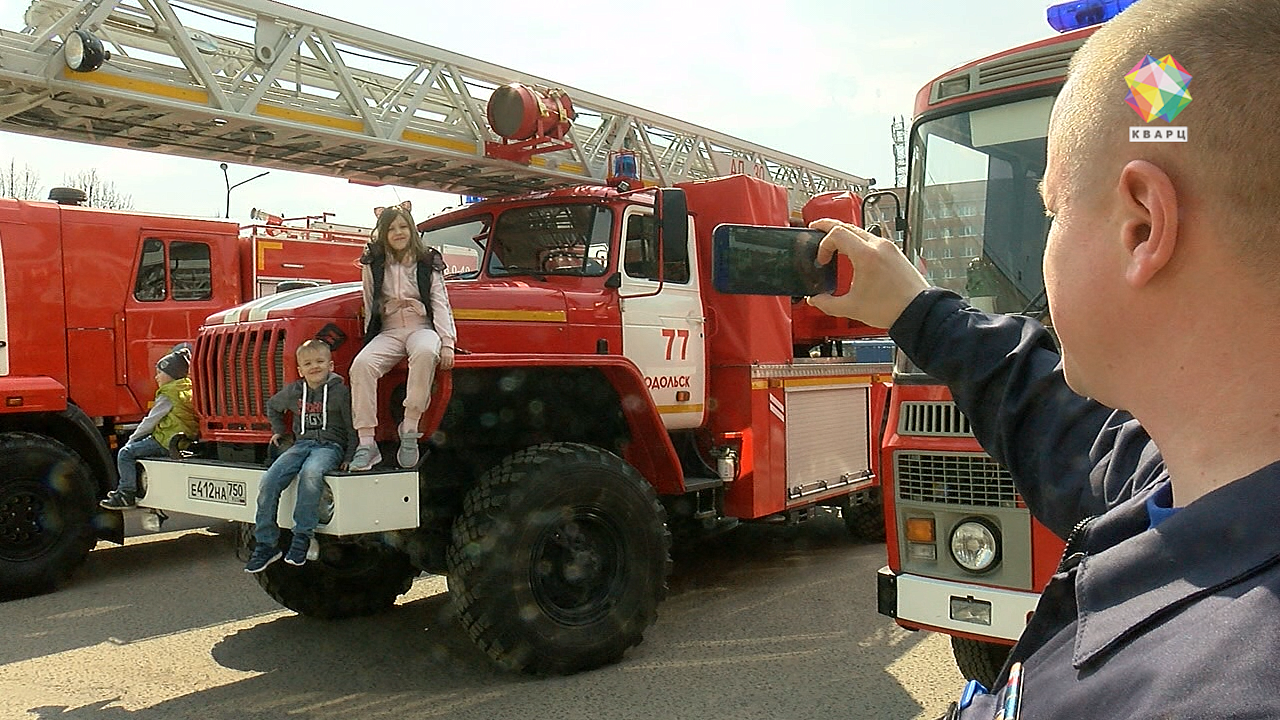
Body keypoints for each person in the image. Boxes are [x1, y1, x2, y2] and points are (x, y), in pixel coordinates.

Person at [806, 1, 1280, 717]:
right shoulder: (1187, 473)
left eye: (1052, 211)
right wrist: (913, 307)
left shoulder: (1206, 691)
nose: (1045, 243)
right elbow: (1057, 422)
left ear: (1141, 226)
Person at [348, 202, 457, 471]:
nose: (398, 232)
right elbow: (369, 297)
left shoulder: (426, 260)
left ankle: (410, 428)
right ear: (383, 233)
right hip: (390, 329)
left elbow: (439, 300)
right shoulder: (374, 261)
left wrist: (447, 342)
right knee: (361, 366)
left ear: (412, 229)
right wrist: (369, 338)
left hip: (421, 326)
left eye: (403, 226)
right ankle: (366, 442)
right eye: (391, 228)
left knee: (425, 352)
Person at [244, 339, 357, 573]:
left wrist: (350, 455)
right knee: (269, 479)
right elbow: (273, 405)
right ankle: (266, 544)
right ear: (300, 370)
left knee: (311, 474)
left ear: (331, 365)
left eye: (319, 361)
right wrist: (279, 430)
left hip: (329, 447)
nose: (314, 367)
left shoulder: (341, 393)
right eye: (307, 363)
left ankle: (302, 537)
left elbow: (352, 427)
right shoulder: (295, 391)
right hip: (301, 444)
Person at [101, 344, 197, 509]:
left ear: (171, 375)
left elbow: (149, 422)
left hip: (166, 441)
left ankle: (126, 493)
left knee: (125, 454)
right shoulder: (188, 390)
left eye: (160, 373)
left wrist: (132, 439)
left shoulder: (168, 395)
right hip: (182, 440)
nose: (156, 377)